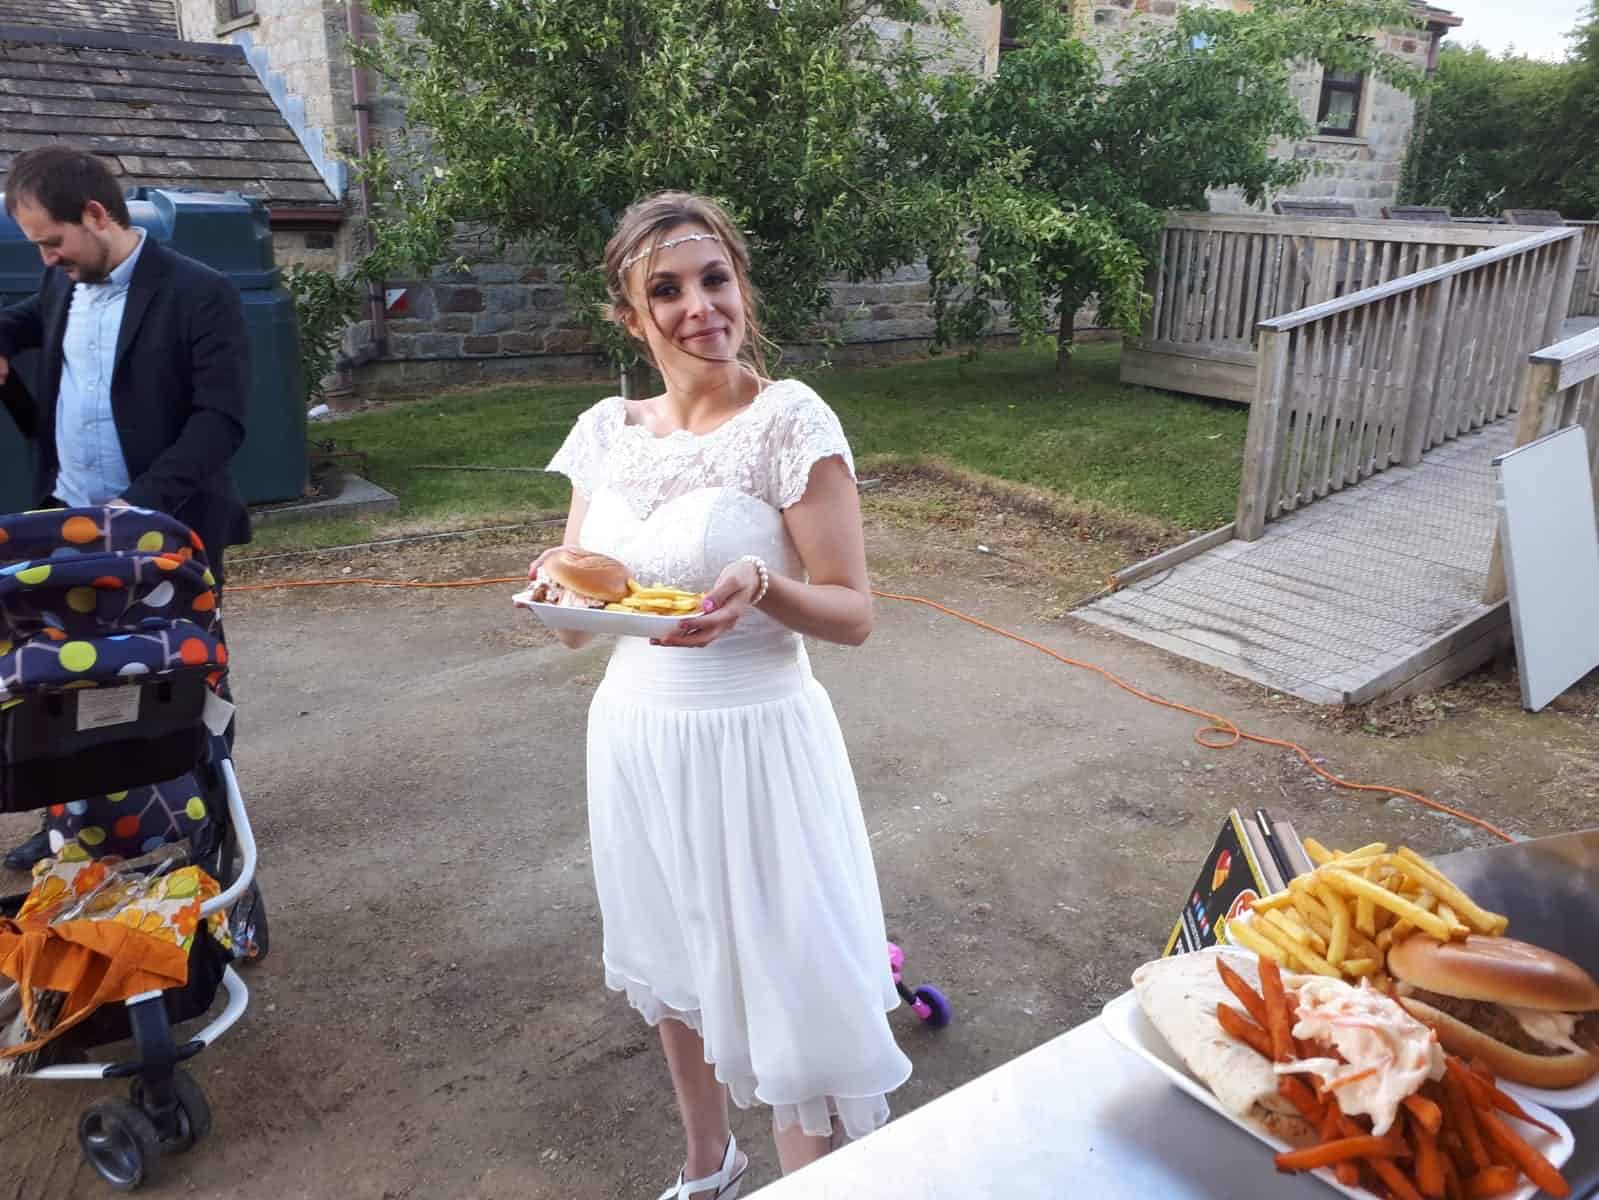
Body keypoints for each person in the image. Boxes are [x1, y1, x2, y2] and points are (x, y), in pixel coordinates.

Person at [534, 192, 911, 1198]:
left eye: (714, 278)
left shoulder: (789, 419)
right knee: (673, 960)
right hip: (634, 736)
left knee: (788, 984)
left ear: (741, 284)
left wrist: (763, 587)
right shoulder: (605, 431)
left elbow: (854, 612)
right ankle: (709, 1163)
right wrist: (553, 586)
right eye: (666, 288)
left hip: (753, 737)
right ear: (629, 314)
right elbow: (579, 617)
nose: (700, 305)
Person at [0, 144, 251, 870]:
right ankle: (77, 829)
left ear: (97, 214)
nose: (47, 259)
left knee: (186, 689)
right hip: (68, 529)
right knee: (67, 691)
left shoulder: (201, 293)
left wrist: (137, 514)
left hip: (163, 536)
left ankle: (213, 836)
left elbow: (220, 420)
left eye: (54, 242)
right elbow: (25, 318)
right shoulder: (63, 284)